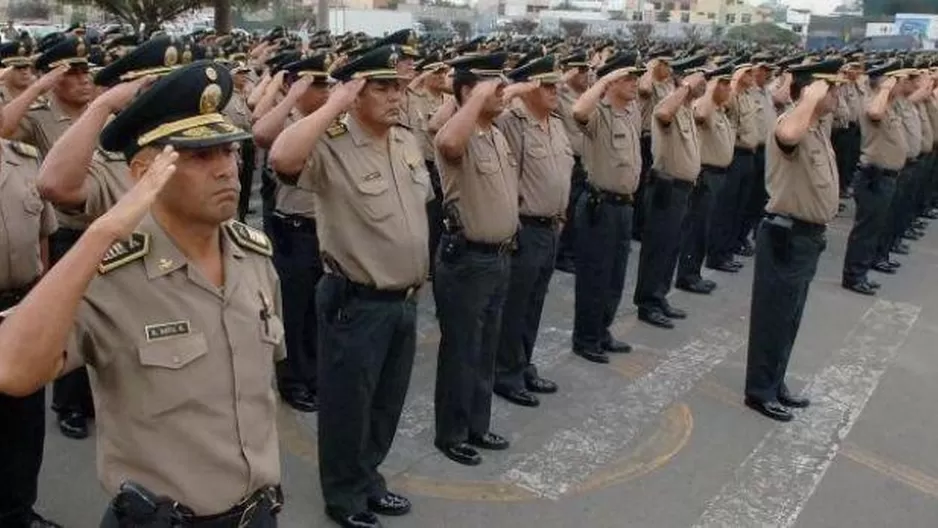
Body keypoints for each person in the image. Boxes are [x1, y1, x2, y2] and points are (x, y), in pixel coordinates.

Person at [0, 60, 285, 525]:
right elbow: (11, 370)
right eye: (198, 156)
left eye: (228, 151)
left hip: (257, 513)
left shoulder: (253, 255)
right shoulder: (109, 274)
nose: (226, 170)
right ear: (144, 171)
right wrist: (102, 233)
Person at [270, 44, 429, 528]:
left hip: (404, 299)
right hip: (356, 300)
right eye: (381, 86)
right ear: (356, 91)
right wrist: (335, 102)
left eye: (398, 86)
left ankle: (368, 477)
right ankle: (344, 496)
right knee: (347, 407)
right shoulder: (331, 143)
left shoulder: (404, 141)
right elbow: (279, 155)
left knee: (385, 403)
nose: (396, 96)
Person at [744, 59, 843, 423]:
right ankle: (760, 391)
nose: (835, 93)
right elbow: (786, 137)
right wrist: (808, 97)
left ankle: (775, 381)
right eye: (829, 87)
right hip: (787, 234)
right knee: (774, 317)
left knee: (790, 317)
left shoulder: (815, 128)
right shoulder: (792, 123)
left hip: (806, 237)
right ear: (813, 90)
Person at [432, 51, 515, 467]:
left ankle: (477, 424)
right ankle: (452, 432)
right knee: (462, 348)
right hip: (467, 258)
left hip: (498, 257)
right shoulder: (457, 133)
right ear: (469, 90)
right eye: (493, 85)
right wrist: (474, 98)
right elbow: (446, 142)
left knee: (486, 346)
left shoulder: (495, 134)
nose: (503, 92)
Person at [254, 52, 333, 413]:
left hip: (327, 229)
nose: (325, 89)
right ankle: (292, 380)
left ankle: (315, 374)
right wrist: (290, 94)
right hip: (293, 228)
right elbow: (259, 133)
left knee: (320, 310)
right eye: (316, 83)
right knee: (294, 309)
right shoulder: (286, 120)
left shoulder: (330, 121)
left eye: (325, 82)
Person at [493, 55, 572, 408]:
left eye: (557, 85)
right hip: (525, 228)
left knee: (534, 303)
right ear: (528, 88)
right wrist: (516, 89)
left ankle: (523, 364)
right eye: (547, 85)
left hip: (551, 226)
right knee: (515, 305)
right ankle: (505, 373)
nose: (556, 91)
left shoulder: (555, 123)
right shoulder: (512, 122)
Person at [0, 137, 60, 528]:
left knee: (25, 426)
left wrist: (44, 298)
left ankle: (18, 512)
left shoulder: (23, 158)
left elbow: (43, 230)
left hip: (21, 309)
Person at [571, 51, 643, 364]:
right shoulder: (598, 111)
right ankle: (586, 338)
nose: (634, 82)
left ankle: (602, 329)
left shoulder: (631, 112)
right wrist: (603, 81)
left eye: (636, 76)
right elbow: (578, 110)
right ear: (611, 81)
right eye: (627, 77)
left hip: (625, 206)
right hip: (600, 205)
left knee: (615, 275)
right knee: (594, 275)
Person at [632, 55, 706, 329]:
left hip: (683, 189)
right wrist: (685, 88)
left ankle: (659, 295)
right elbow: (661, 112)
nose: (703, 86)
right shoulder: (670, 108)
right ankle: (648, 302)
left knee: (672, 246)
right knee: (658, 247)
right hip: (666, 186)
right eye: (699, 81)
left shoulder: (687, 110)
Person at [842, 61, 906, 295]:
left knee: (874, 228)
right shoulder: (874, 105)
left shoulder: (891, 106)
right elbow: (874, 111)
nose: (899, 87)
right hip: (874, 177)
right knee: (866, 230)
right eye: (894, 82)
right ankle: (854, 275)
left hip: (886, 177)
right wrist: (886, 89)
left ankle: (861, 271)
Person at [675, 63, 735, 295]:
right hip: (706, 174)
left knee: (707, 226)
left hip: (719, 175)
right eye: (724, 84)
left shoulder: (720, 109)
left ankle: (694, 272)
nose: (729, 89)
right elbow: (699, 114)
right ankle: (687, 275)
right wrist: (710, 89)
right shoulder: (705, 106)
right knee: (697, 228)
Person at [707, 62, 759, 273]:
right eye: (747, 72)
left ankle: (728, 251)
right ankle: (717, 254)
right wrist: (734, 84)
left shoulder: (747, 96)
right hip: (735, 154)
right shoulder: (732, 97)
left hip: (749, 155)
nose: (752, 75)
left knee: (740, 207)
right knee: (726, 209)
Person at [554, 52, 591, 273]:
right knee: (567, 208)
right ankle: (562, 254)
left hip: (587, 159)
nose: (586, 75)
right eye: (581, 70)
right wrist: (564, 77)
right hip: (570, 160)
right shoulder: (561, 93)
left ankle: (573, 250)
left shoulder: (586, 95)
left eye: (588, 70)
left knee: (579, 210)